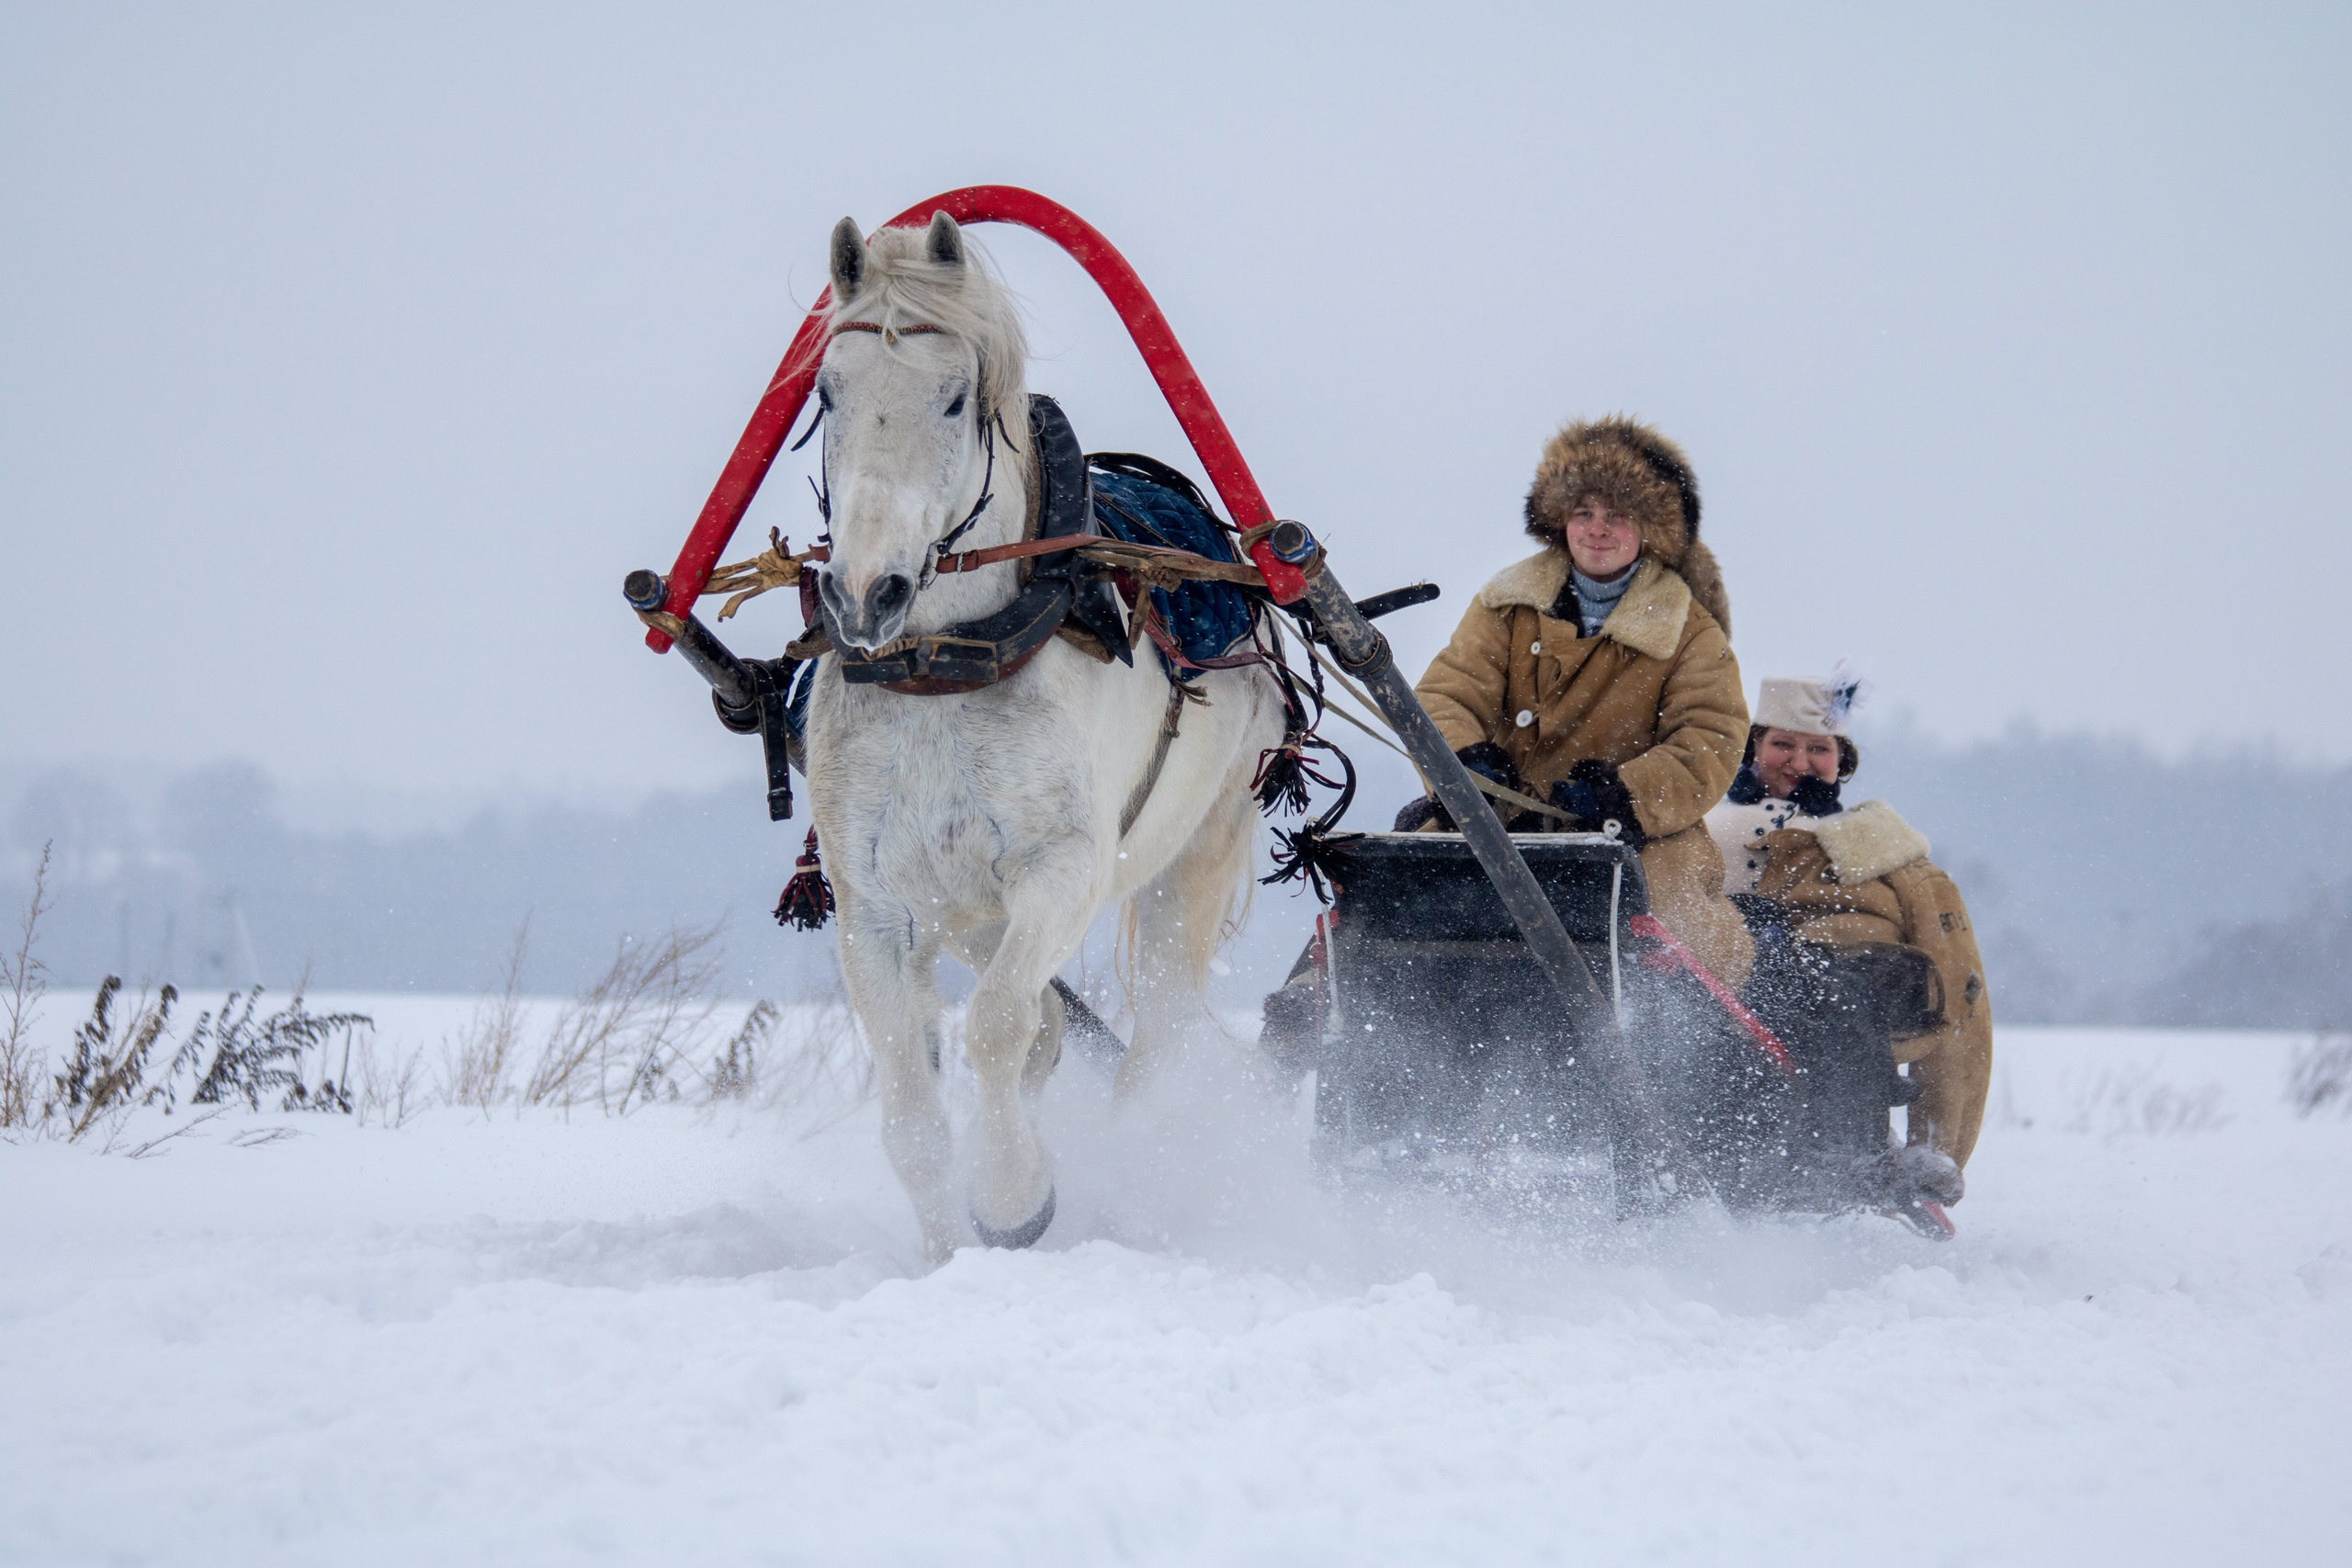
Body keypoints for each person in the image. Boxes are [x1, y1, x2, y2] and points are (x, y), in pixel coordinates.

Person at [1408, 415, 1754, 986]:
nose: (1597, 529)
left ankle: (1668, 1044)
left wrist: (1623, 796)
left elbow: (1709, 741)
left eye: (1617, 515)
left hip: (1643, 837)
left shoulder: (1692, 632)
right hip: (1499, 820)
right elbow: (1446, 695)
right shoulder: (1504, 606)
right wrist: (1463, 763)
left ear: (1649, 529)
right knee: (1395, 889)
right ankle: (1312, 1005)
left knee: (1656, 924)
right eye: (1583, 513)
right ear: (1560, 521)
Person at [1704, 675, 1993, 1193]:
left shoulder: (1882, 851)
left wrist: (1939, 1145)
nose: (1798, 762)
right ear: (1753, 750)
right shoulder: (1699, 828)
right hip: (1722, 971)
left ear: (1842, 759)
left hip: (1843, 984)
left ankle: (1852, 1155)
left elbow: (1958, 993)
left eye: (1818, 749)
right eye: (1782, 745)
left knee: (1833, 995)